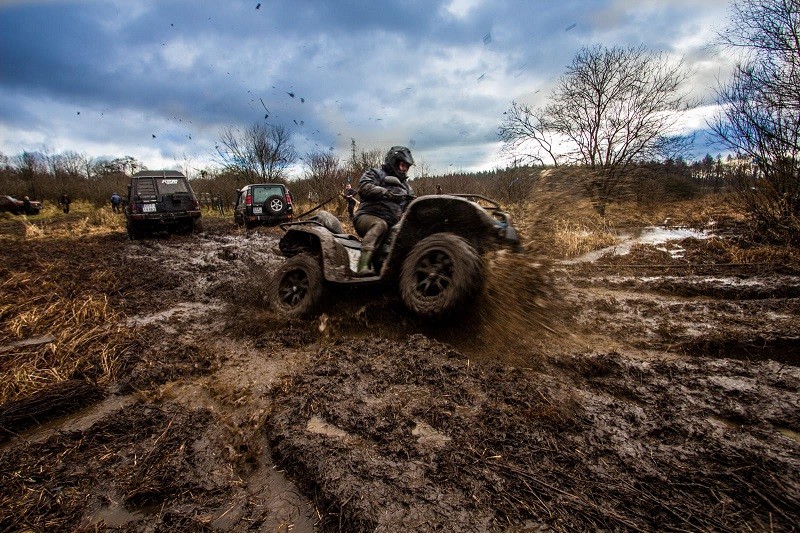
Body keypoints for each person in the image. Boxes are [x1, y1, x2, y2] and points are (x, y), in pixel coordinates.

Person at [353, 145, 414, 275]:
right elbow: (364, 187)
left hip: (392, 225)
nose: (404, 169)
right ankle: (362, 266)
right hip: (366, 217)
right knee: (380, 225)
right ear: (394, 162)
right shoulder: (376, 173)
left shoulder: (406, 187)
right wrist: (384, 192)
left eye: (407, 167)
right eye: (402, 165)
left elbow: (412, 206)